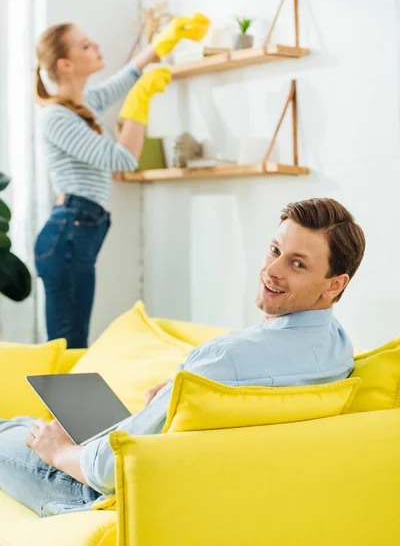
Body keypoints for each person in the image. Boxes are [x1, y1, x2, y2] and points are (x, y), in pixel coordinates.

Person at [0, 197, 366, 517]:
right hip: (185, 470)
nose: (272, 270)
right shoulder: (337, 348)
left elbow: (109, 471)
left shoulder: (226, 356)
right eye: (275, 250)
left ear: (336, 284)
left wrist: (58, 452)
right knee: (35, 421)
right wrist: (177, 399)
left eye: (297, 264)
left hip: (94, 490)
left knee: (18, 428)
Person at [33, 13, 210, 349]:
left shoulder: (83, 104)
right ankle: (55, 404)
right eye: (85, 45)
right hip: (69, 231)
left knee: (71, 341)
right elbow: (122, 159)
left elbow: (128, 75)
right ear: (66, 64)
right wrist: (140, 101)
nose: (95, 46)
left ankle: (62, 403)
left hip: (77, 230)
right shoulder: (57, 116)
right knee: (69, 345)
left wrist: (166, 41)